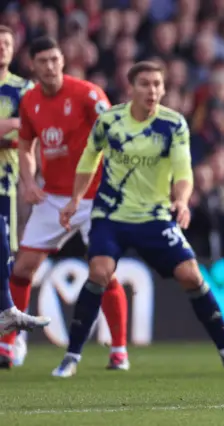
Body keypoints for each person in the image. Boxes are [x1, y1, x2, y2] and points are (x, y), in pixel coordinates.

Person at [52, 61, 224, 378]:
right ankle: (71, 356)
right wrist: (76, 200)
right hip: (112, 215)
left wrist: (181, 200)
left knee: (191, 275)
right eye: (145, 84)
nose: (152, 90)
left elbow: (183, 170)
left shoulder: (173, 124)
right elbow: (89, 159)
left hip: (155, 218)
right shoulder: (110, 121)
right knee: (99, 271)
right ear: (131, 88)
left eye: (157, 84)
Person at [1, 37, 130, 370]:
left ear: (63, 60)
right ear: (33, 65)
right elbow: (26, 148)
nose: (50, 66)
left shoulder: (87, 93)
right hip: (54, 195)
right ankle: (8, 344)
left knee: (103, 271)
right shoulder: (30, 101)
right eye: (43, 60)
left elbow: (113, 132)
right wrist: (29, 183)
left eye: (55, 59)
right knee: (22, 268)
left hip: (94, 195)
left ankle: (119, 349)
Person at [0, 26, 51, 346]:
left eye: (6, 43)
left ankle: (8, 333)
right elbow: (20, 131)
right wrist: (14, 126)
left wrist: (17, 129)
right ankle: (7, 315)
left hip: (7, 184)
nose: (2, 48)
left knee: (5, 254)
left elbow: (33, 134)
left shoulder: (25, 89)